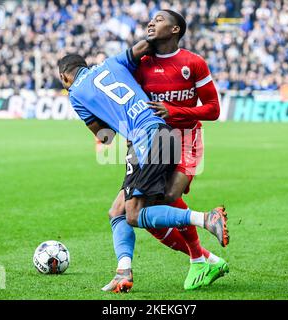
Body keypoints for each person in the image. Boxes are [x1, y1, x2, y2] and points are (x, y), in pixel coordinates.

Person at [58, 40, 229, 293]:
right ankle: (123, 272)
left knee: (135, 214)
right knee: (117, 211)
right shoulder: (113, 62)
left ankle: (206, 219)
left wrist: (110, 118)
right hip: (166, 132)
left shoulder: (75, 94)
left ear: (64, 77)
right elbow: (143, 48)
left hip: (145, 139)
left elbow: (105, 137)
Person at [107, 10, 228, 291]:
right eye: (151, 19)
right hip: (150, 142)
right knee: (141, 211)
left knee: (170, 195)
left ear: (175, 30)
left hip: (185, 137)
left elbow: (213, 109)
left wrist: (173, 109)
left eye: (159, 19)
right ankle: (202, 259)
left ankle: (201, 256)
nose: (152, 22)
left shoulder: (193, 63)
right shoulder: (140, 65)